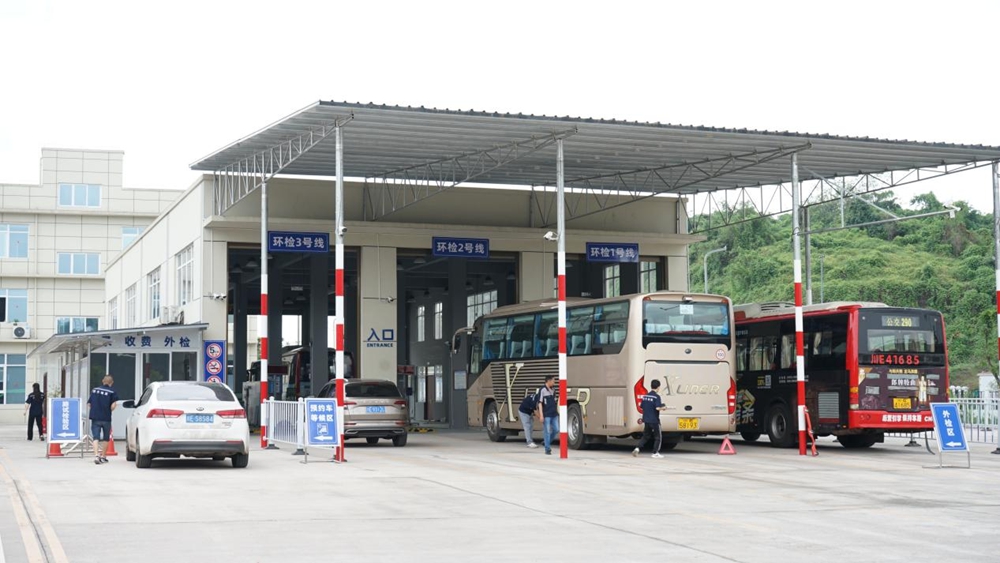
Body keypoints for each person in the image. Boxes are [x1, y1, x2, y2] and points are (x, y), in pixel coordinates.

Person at [87, 375, 119, 465]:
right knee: (106, 438)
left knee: (95, 437)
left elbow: (89, 404)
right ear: (111, 383)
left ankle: (96, 455)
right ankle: (103, 456)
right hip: (106, 418)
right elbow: (113, 406)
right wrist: (109, 410)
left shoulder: (94, 390)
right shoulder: (112, 392)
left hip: (95, 417)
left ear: (102, 381)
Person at [632, 379, 667, 458]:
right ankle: (655, 452)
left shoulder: (645, 396)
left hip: (646, 420)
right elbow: (657, 408)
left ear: (651, 386)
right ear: (658, 387)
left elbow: (641, 406)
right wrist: (663, 408)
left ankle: (637, 448)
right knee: (658, 437)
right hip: (654, 420)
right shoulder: (656, 397)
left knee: (645, 436)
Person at [537, 374, 558, 455]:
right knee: (547, 431)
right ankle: (547, 448)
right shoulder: (542, 390)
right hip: (547, 414)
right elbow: (540, 403)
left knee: (556, 429)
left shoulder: (553, 390)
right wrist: (541, 415)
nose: (554, 382)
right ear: (548, 381)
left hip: (554, 413)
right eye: (553, 381)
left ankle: (546, 442)